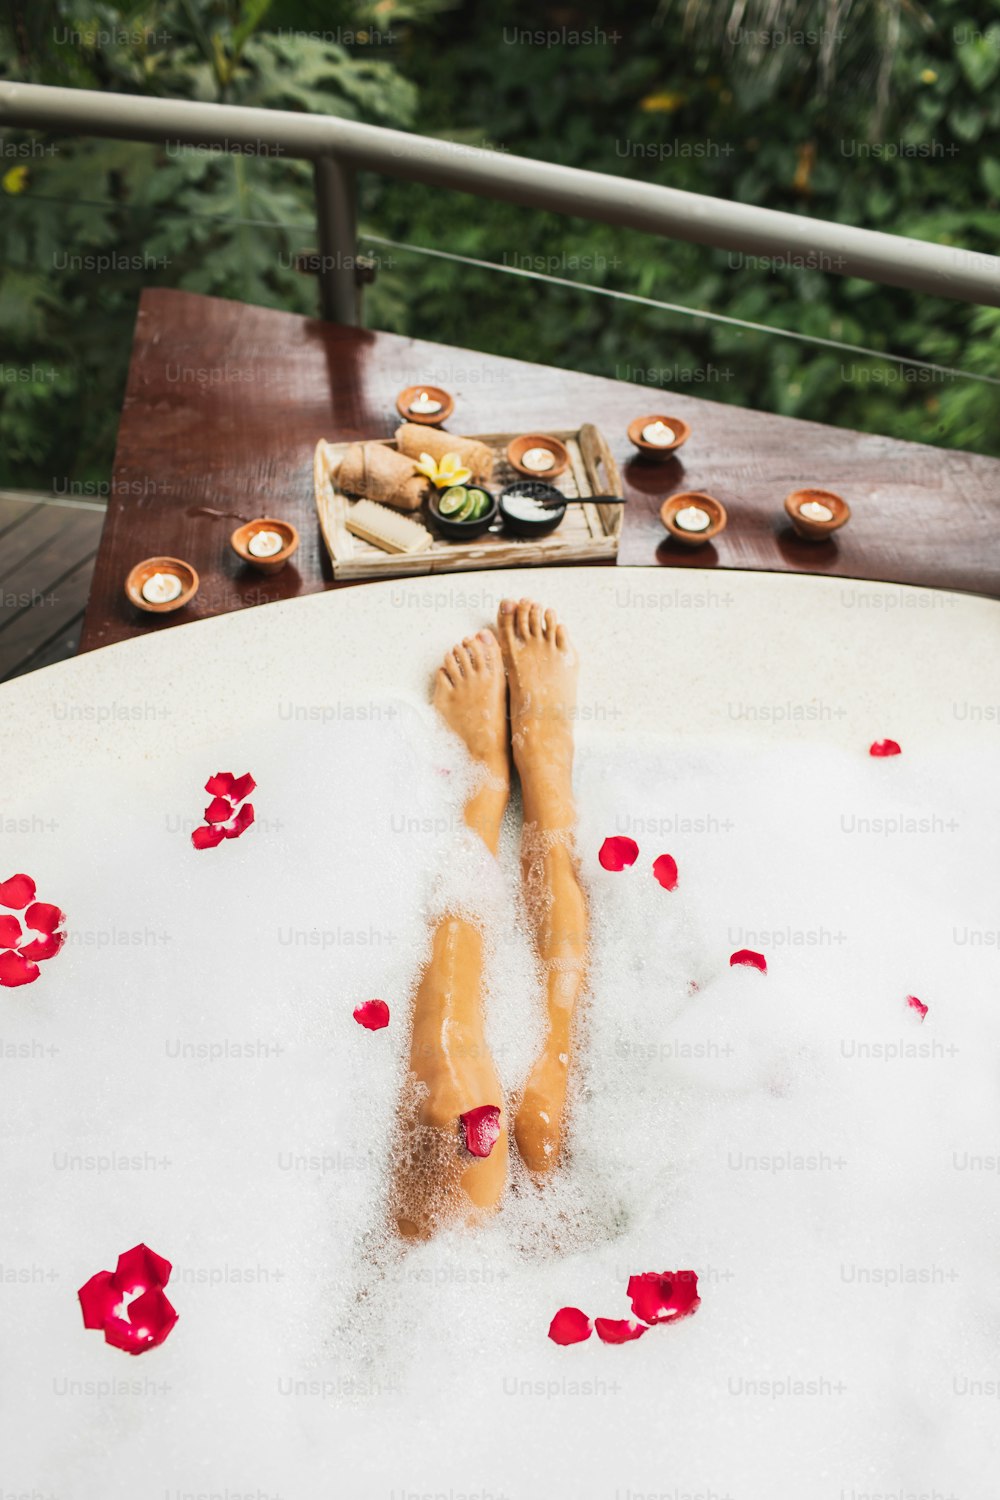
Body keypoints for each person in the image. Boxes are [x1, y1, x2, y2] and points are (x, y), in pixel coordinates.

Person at [394, 598, 589, 1239]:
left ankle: (485, 792)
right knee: (537, 1129)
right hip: (490, 1299)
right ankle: (544, 775)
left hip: (465, 1298)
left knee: (454, 1097)